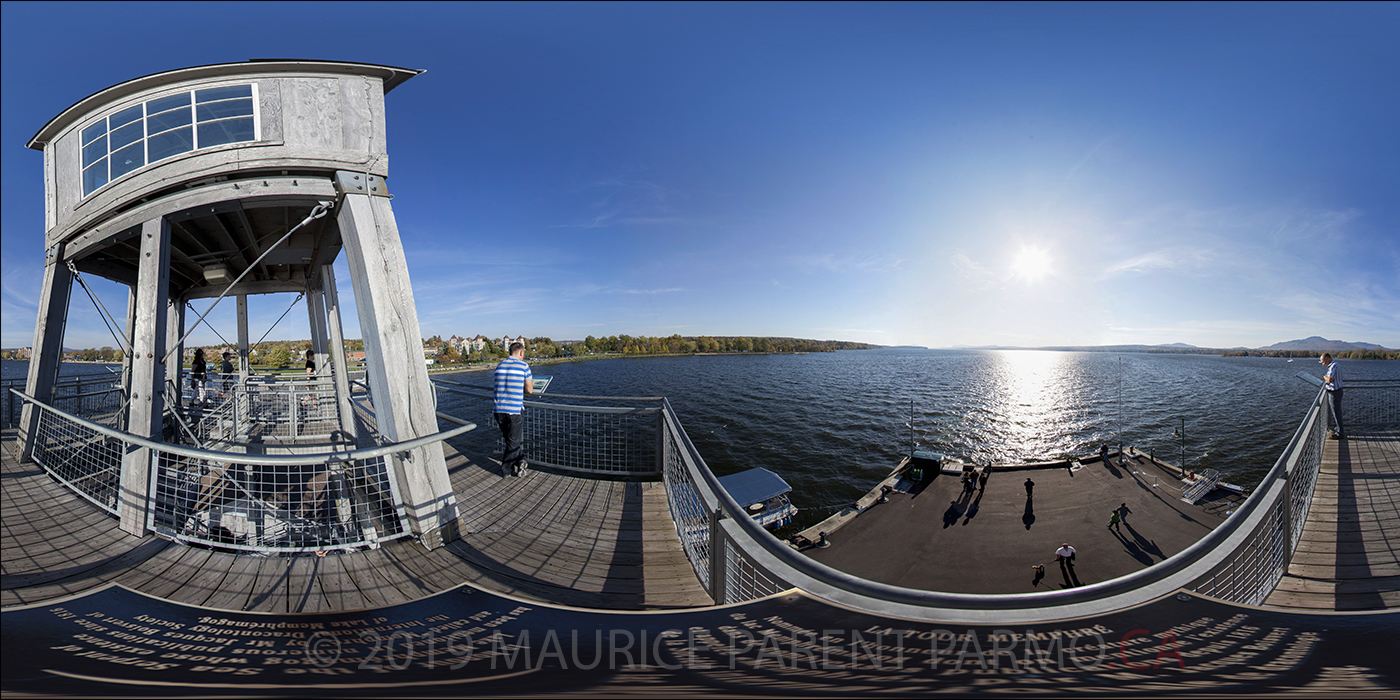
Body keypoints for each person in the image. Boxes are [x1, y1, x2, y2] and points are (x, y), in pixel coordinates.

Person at [494, 342, 534, 477]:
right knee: (513, 442)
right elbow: (529, 389)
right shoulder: (523, 366)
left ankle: (521, 460)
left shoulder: (499, 366)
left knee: (511, 441)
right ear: (521, 353)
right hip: (514, 410)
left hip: (498, 410)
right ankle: (506, 469)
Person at [1320, 353, 1345, 439]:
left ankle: (1340, 433)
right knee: (1337, 412)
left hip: (1335, 392)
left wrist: (1324, 377)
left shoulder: (1333, 366)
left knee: (1336, 413)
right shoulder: (1336, 365)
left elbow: (1330, 379)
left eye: (1323, 362)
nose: (1323, 364)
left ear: (1327, 358)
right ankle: (1338, 429)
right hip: (1337, 391)